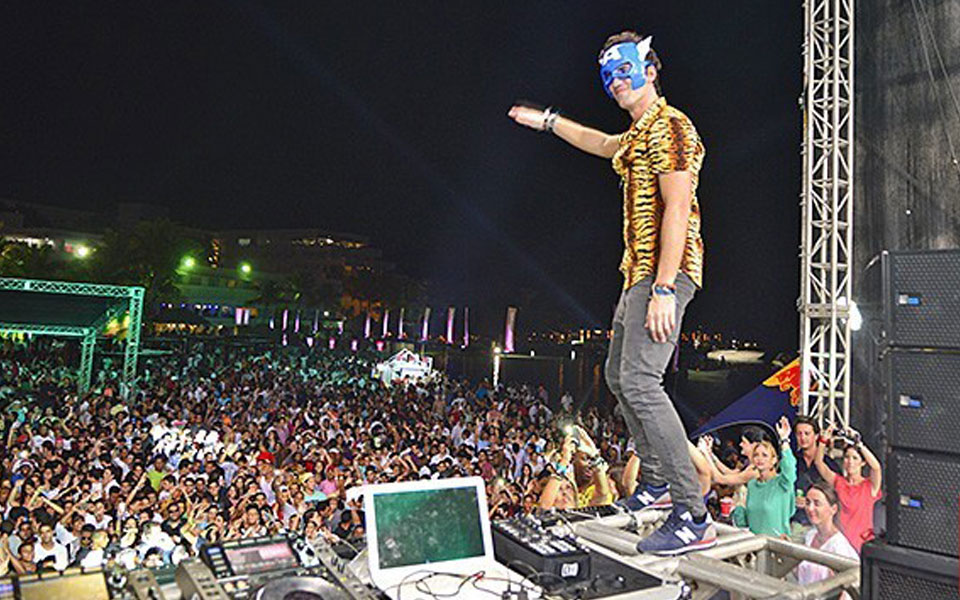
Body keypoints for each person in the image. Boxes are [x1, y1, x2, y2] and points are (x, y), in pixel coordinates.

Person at [508, 29, 711, 555]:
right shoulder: (638, 134)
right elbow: (600, 143)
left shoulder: (671, 126)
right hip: (637, 275)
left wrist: (664, 287)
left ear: (650, 69)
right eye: (607, 76)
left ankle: (692, 513)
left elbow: (678, 209)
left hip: (663, 274)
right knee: (620, 377)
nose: (615, 82)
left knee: (642, 382)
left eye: (624, 71)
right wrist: (549, 121)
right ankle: (656, 483)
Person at [814, 429, 881, 553]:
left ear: (863, 463)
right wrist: (823, 440)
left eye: (855, 458)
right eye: (847, 457)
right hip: (839, 543)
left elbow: (876, 467)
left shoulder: (869, 486)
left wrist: (859, 444)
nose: (850, 462)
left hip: (861, 543)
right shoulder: (838, 482)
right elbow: (819, 463)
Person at [731, 417, 796, 537]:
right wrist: (738, 505)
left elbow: (790, 468)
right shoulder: (752, 484)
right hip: (754, 544)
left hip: (777, 544)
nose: (759, 459)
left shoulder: (782, 483)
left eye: (765, 455)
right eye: (756, 455)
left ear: (774, 460)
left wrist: (784, 439)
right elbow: (743, 522)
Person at [795, 482, 858, 594]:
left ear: (833, 509)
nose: (810, 508)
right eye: (808, 503)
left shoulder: (838, 546)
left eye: (817, 504)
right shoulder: (810, 535)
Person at [792, 416, 838, 535]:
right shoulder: (791, 461)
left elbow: (837, 494)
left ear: (816, 436)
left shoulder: (829, 464)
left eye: (807, 433)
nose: (803, 438)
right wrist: (792, 499)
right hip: (796, 522)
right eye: (799, 434)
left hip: (821, 526)